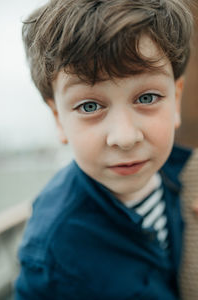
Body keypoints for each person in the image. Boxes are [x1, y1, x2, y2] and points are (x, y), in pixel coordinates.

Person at [14, 0, 194, 299]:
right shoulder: (54, 250)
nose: (124, 138)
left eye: (147, 98)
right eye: (89, 106)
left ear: (175, 101)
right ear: (59, 119)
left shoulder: (184, 175)